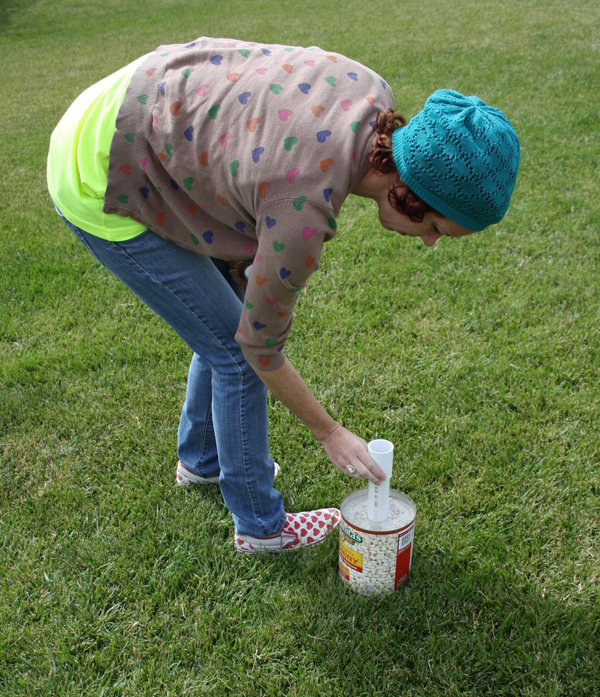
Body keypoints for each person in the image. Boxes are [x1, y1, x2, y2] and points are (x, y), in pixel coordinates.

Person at [47, 36, 520, 554]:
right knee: (235, 354)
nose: (429, 242)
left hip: (142, 96)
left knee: (222, 319)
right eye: (435, 227)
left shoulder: (371, 96)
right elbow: (259, 347)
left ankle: (202, 463)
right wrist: (330, 432)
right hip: (102, 164)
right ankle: (260, 528)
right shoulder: (303, 210)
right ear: (408, 194)